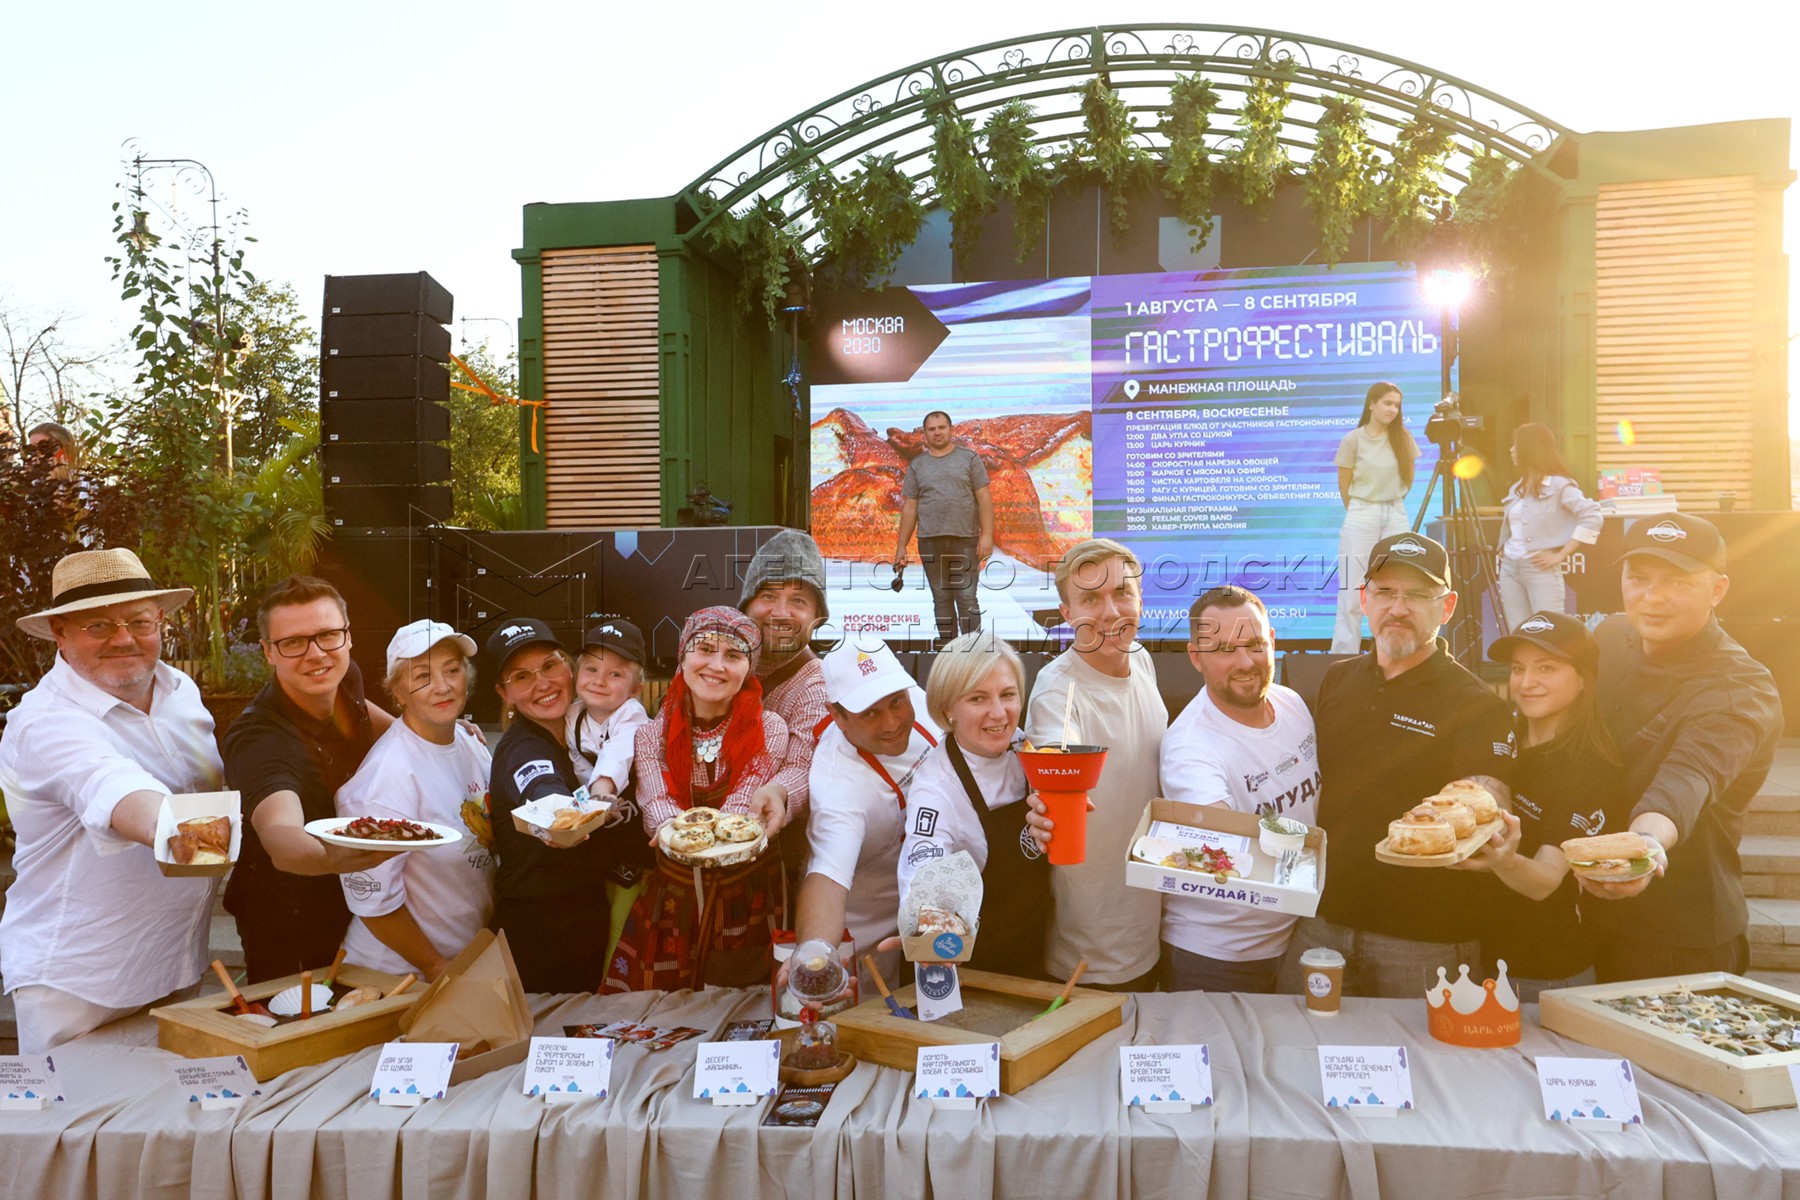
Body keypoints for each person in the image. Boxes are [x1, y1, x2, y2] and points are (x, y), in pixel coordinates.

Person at [1279, 532, 1517, 999]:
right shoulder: (1337, 680)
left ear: (1446, 607)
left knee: (1425, 1048)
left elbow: (1487, 793)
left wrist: (1492, 818)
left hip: (1424, 938)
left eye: (1418, 595)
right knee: (1300, 1037)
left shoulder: (1474, 703)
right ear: (1364, 600)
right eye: (1385, 592)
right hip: (1324, 921)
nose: (1398, 608)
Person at [0, 549, 220, 1052]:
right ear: (59, 632)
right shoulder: (44, 722)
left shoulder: (181, 691)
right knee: (74, 1107)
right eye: (98, 625)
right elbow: (118, 789)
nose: (123, 639)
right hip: (80, 984)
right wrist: (192, 832)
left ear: (160, 620)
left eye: (139, 621)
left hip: (177, 960)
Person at [1578, 514, 1783, 981]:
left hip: (1677, 937)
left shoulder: (1739, 687)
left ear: (1717, 590)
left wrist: (1646, 846)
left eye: (1678, 582)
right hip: (1587, 909)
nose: (1653, 597)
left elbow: (1689, 778)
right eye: (1639, 578)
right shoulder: (1610, 637)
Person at [604, 607, 806, 991]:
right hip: (675, 891)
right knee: (664, 1004)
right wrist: (674, 832)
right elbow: (657, 803)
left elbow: (741, 811)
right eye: (705, 649)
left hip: (748, 890)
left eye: (734, 655)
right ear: (682, 657)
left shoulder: (769, 728)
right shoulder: (650, 734)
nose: (717, 665)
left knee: (741, 1002)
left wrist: (686, 838)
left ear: (749, 668)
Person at [223, 576, 396, 983]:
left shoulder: (343, 676)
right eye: (293, 642)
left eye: (328, 635)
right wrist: (340, 857)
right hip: (289, 926)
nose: (316, 654)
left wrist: (437, 732)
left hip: (355, 904)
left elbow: (375, 720)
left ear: (347, 636)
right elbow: (281, 832)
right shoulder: (259, 739)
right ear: (268, 651)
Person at [1450, 612, 1628, 1001]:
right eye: (1518, 669)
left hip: (1544, 974)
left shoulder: (1594, 768)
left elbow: (1546, 881)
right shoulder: (1503, 737)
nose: (1526, 682)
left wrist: (1502, 859)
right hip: (1475, 956)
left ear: (1583, 678)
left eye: (1546, 668)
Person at [1160, 586, 1320, 994]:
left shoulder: (1292, 705)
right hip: (1216, 958)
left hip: (1293, 940)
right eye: (1226, 650)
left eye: (1255, 644)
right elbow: (1225, 854)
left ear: (1272, 641)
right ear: (1196, 657)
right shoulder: (1191, 748)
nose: (1246, 662)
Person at [1024, 538, 1165, 992]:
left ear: (1141, 599)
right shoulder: (1057, 694)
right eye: (1090, 599)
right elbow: (1052, 781)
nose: (1109, 612)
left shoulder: (1141, 660)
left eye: (1122, 593)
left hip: (1151, 930)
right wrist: (1045, 808)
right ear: (1067, 614)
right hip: (1088, 958)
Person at [486, 618, 650, 994]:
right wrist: (557, 817)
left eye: (549, 665)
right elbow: (542, 790)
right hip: (543, 937)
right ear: (504, 693)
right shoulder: (525, 749)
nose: (543, 683)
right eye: (522, 677)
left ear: (568, 667)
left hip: (582, 922)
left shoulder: (587, 725)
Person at [335, 621, 494, 981]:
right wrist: (434, 967)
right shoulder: (384, 782)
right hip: (397, 975)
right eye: (423, 676)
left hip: (462, 960)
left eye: (452, 670)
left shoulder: (470, 743)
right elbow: (373, 901)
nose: (442, 686)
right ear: (398, 691)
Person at [896, 631, 1050, 980]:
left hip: (1030, 954)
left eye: (1008, 694)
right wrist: (929, 933)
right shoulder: (936, 789)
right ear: (947, 709)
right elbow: (922, 876)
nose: (999, 713)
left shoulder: (1022, 746)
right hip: (962, 968)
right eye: (978, 698)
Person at [794, 637, 939, 996]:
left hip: (936, 901)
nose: (892, 722)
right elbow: (826, 876)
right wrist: (815, 954)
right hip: (869, 923)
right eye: (870, 713)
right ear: (836, 715)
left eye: (896, 701)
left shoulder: (917, 701)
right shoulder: (837, 783)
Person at [738, 530, 831, 879]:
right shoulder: (712, 661)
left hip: (770, 859)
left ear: (817, 616)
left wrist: (778, 792)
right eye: (768, 595)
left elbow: (803, 765)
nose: (780, 613)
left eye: (798, 601)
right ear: (746, 605)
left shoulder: (816, 683)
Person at [1331, 383, 1422, 653]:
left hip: (1395, 511)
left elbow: (1409, 477)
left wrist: (1389, 503)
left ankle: (1395, 651)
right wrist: (1363, 508)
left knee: (1399, 583)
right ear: (1372, 404)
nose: (1392, 409)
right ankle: (1344, 655)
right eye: (1387, 403)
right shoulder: (1353, 439)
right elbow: (1344, 485)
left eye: (1397, 405)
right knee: (1352, 587)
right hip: (1362, 511)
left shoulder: (1403, 438)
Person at [893, 410, 994, 644]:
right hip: (929, 541)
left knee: (967, 598)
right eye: (932, 429)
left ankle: (972, 651)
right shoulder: (917, 466)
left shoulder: (969, 459)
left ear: (951, 429)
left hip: (965, 539)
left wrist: (987, 535)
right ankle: (948, 650)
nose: (937, 432)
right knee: (941, 598)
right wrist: (901, 547)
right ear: (925, 434)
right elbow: (910, 508)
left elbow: (984, 498)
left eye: (941, 427)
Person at [1494, 423, 1602, 631]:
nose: (1511, 450)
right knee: (1517, 632)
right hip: (1509, 568)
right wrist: (1503, 546)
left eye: (1516, 444)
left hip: (1540, 569)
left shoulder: (1559, 485)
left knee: (1548, 630)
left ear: (1530, 449)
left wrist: (1562, 554)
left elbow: (1592, 515)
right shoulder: (1516, 488)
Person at [565, 617, 651, 801]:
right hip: (601, 802)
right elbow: (580, 767)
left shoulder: (632, 714)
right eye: (592, 669)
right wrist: (587, 804)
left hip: (638, 804)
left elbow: (617, 753)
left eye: (614, 674)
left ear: (635, 689)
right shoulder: (573, 716)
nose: (599, 681)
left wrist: (601, 793)